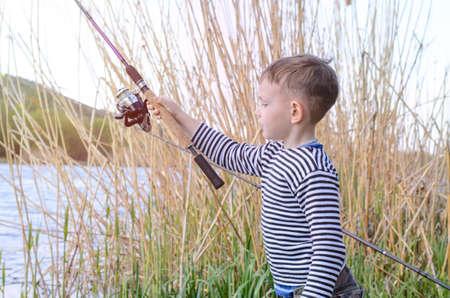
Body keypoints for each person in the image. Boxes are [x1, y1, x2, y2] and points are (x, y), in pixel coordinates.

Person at [147, 54, 363, 297]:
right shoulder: (273, 154)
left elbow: (329, 250)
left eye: (264, 103)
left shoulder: (314, 171)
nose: (257, 111)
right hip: (292, 290)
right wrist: (178, 115)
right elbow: (228, 152)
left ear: (294, 112)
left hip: (324, 292)